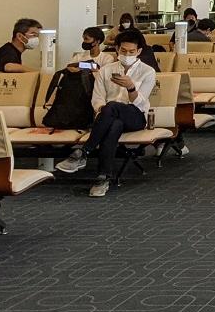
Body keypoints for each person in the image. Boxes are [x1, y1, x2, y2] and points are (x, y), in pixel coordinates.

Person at [54, 30, 156, 198]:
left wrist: (131, 87)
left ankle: (84, 152)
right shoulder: (106, 70)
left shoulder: (147, 71)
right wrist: (103, 111)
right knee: (114, 124)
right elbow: (98, 99)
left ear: (138, 51)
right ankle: (103, 178)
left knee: (113, 106)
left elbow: (140, 103)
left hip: (135, 116)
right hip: (108, 116)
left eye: (131, 52)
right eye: (123, 51)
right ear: (117, 49)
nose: (127, 55)